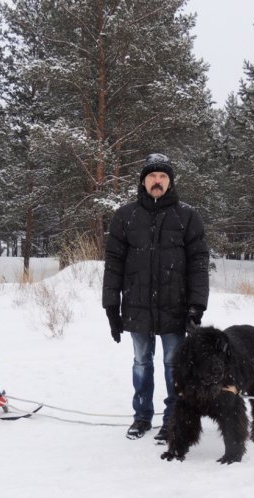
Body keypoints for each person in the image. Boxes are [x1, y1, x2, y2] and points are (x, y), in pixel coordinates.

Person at [102, 153, 209, 441]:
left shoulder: (187, 216)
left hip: (175, 307)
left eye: (162, 176)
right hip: (137, 307)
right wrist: (112, 307)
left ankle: (174, 417)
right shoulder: (126, 216)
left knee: (174, 365)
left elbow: (199, 263)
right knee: (141, 363)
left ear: (170, 182)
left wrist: (196, 306)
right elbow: (114, 263)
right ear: (143, 181)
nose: (157, 181)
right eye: (152, 176)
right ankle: (142, 416)